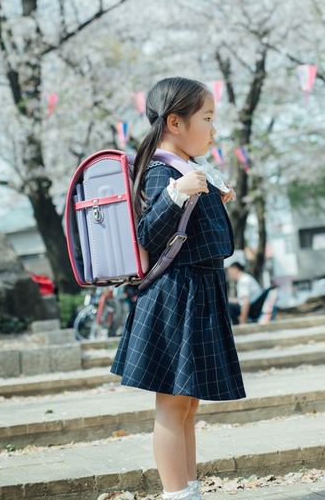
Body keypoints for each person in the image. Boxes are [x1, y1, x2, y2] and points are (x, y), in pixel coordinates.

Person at [110, 77, 244, 500]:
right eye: (206, 118)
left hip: (198, 289)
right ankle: (177, 494)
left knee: (188, 402)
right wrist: (173, 195)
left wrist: (212, 202)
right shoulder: (160, 172)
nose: (213, 128)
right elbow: (147, 235)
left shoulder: (188, 168)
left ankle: (189, 489)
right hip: (174, 294)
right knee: (172, 403)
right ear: (175, 122)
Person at [225, 259, 269, 325]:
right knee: (228, 302)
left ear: (235, 270)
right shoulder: (246, 278)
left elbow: (246, 302)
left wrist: (242, 320)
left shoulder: (243, 281)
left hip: (252, 308)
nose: (230, 275)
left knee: (227, 305)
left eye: (230, 272)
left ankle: (236, 325)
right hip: (254, 305)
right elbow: (241, 300)